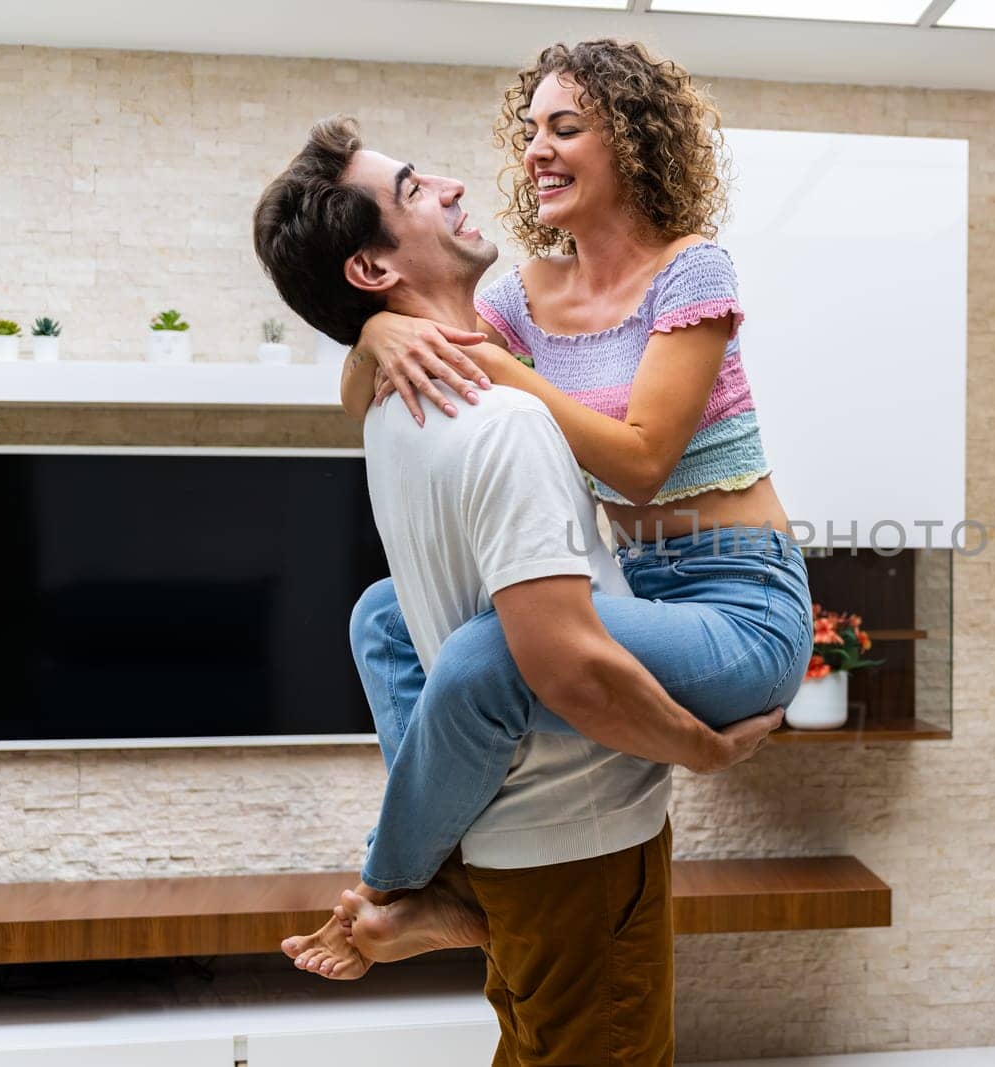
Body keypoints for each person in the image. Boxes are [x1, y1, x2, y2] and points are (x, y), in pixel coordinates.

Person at [252, 116, 794, 1064]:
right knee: (383, 614)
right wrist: (378, 328)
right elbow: (364, 372)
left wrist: (499, 370)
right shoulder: (522, 294)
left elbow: (641, 462)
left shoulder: (690, 269)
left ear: (632, 144)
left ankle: (400, 879)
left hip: (734, 598)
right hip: (641, 588)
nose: (532, 149)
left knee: (499, 652)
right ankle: (451, 875)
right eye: (530, 126)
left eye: (567, 127)